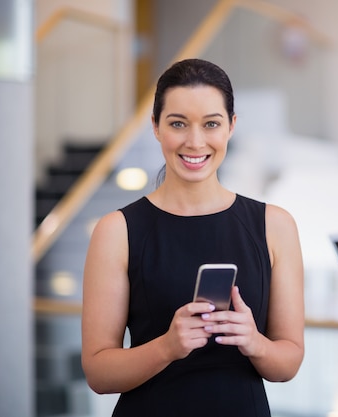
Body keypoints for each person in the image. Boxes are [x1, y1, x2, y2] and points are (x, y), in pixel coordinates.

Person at [81, 58, 305, 416]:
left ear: (231, 126)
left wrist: (254, 342)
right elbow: (98, 372)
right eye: (178, 124)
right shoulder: (117, 231)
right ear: (155, 127)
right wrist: (167, 347)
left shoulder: (274, 225)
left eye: (211, 124)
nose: (195, 141)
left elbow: (289, 362)